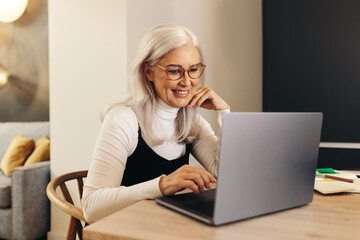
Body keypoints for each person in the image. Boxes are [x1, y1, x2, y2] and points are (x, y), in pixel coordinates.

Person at [82, 23, 230, 222]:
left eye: (193, 69)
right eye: (175, 71)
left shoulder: (191, 121)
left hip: (163, 227)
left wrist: (224, 113)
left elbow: (226, 173)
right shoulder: (122, 120)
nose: (187, 82)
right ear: (148, 72)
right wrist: (162, 185)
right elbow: (91, 207)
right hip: (123, 231)